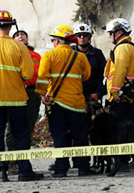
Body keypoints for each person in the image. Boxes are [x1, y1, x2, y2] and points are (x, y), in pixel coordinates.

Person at [0, 10, 44, 182]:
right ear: (11, 26)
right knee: (20, 133)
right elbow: (28, 74)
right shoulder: (20, 47)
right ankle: (23, 170)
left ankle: (1, 171)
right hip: (17, 97)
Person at [36, 24, 93, 177]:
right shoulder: (80, 56)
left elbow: (42, 76)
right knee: (80, 136)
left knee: (60, 136)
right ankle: (83, 167)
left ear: (56, 41)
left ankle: (61, 168)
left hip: (57, 103)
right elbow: (87, 75)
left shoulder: (49, 56)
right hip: (77, 104)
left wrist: (42, 95)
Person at [104, 17, 134, 173]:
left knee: (119, 130)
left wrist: (114, 92)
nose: (109, 37)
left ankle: (122, 162)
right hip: (130, 95)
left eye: (110, 33)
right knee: (129, 128)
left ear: (119, 32)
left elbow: (120, 70)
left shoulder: (121, 48)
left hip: (121, 96)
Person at [5, 28, 42, 173]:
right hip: (15, 91)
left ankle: (23, 160)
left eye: (23, 34)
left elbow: (41, 75)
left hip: (32, 93)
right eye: (17, 35)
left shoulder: (35, 56)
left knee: (28, 127)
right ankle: (11, 161)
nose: (20, 36)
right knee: (12, 128)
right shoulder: (10, 53)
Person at [73, 23, 107, 103]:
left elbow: (104, 76)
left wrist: (98, 93)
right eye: (79, 35)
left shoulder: (97, 54)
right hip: (72, 96)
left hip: (91, 97)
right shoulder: (70, 53)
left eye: (85, 35)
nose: (82, 38)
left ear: (89, 37)